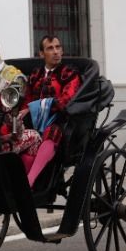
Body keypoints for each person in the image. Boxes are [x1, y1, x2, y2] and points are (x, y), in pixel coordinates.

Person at [16, 35, 82, 186]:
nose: (56, 52)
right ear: (41, 54)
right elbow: (27, 99)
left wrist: (34, 107)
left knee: (52, 132)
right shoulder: (35, 74)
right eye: (50, 48)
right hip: (33, 121)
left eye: (58, 47)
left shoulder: (70, 72)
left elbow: (66, 100)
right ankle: (21, 183)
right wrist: (24, 110)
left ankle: (30, 180)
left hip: (60, 121)